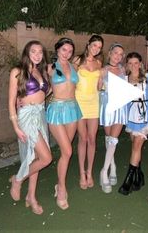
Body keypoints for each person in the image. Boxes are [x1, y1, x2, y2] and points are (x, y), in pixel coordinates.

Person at [8, 40, 52, 215]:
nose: (37, 55)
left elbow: (45, 92)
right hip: (26, 117)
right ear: (27, 53)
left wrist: (48, 78)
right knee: (46, 158)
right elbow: (11, 101)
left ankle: (31, 197)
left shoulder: (41, 71)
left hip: (40, 114)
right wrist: (16, 126)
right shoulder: (17, 71)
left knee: (36, 157)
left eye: (40, 52)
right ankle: (18, 180)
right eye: (33, 51)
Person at [46, 37, 82, 210]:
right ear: (57, 50)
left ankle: (59, 184)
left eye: (70, 50)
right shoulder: (50, 68)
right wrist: (26, 100)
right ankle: (61, 188)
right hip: (57, 110)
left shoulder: (74, 66)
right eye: (64, 50)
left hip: (73, 109)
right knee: (68, 150)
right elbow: (45, 89)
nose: (67, 53)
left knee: (65, 153)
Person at [118, 52, 148, 195]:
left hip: (145, 115)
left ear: (140, 63)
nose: (133, 66)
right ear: (127, 64)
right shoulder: (124, 79)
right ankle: (139, 177)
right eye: (130, 63)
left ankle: (128, 180)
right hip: (131, 116)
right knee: (135, 147)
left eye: (136, 63)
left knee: (136, 146)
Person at [73, 35, 104, 189]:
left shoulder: (99, 63)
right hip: (79, 101)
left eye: (99, 47)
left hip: (94, 102)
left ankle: (89, 172)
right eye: (94, 45)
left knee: (92, 138)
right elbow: (70, 81)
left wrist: (102, 82)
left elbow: (98, 87)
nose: (96, 49)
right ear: (88, 44)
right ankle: (81, 173)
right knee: (83, 138)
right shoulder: (77, 61)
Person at [99, 43, 127, 193]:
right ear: (110, 53)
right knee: (109, 138)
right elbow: (97, 89)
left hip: (120, 108)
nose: (118, 56)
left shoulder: (123, 69)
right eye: (116, 53)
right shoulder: (103, 70)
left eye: (121, 54)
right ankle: (113, 167)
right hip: (107, 107)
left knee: (114, 139)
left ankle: (104, 171)